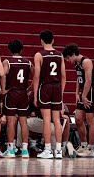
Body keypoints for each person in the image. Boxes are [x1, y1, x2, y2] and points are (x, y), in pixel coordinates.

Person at [33, 30, 66, 159]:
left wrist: (35, 95)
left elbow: (36, 76)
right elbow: (64, 76)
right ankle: (58, 150)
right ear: (53, 40)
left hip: (45, 87)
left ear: (41, 40)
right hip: (57, 87)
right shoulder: (60, 55)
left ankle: (47, 149)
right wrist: (61, 92)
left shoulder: (39, 55)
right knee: (57, 120)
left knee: (46, 120)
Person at [62, 43, 94, 157]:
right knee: (78, 119)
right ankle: (83, 145)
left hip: (90, 92)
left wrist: (84, 96)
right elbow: (79, 79)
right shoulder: (77, 63)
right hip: (83, 92)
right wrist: (76, 92)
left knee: (90, 119)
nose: (68, 61)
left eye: (68, 58)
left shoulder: (86, 62)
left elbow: (88, 80)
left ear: (73, 54)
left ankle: (91, 148)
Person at [0, 40, 34, 158]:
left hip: (12, 93)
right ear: (21, 49)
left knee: (11, 122)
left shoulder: (7, 61)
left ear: (9, 50)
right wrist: (29, 88)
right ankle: (25, 150)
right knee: (23, 122)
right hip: (23, 93)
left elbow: (2, 74)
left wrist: (3, 89)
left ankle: (10, 150)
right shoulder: (28, 62)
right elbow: (37, 77)